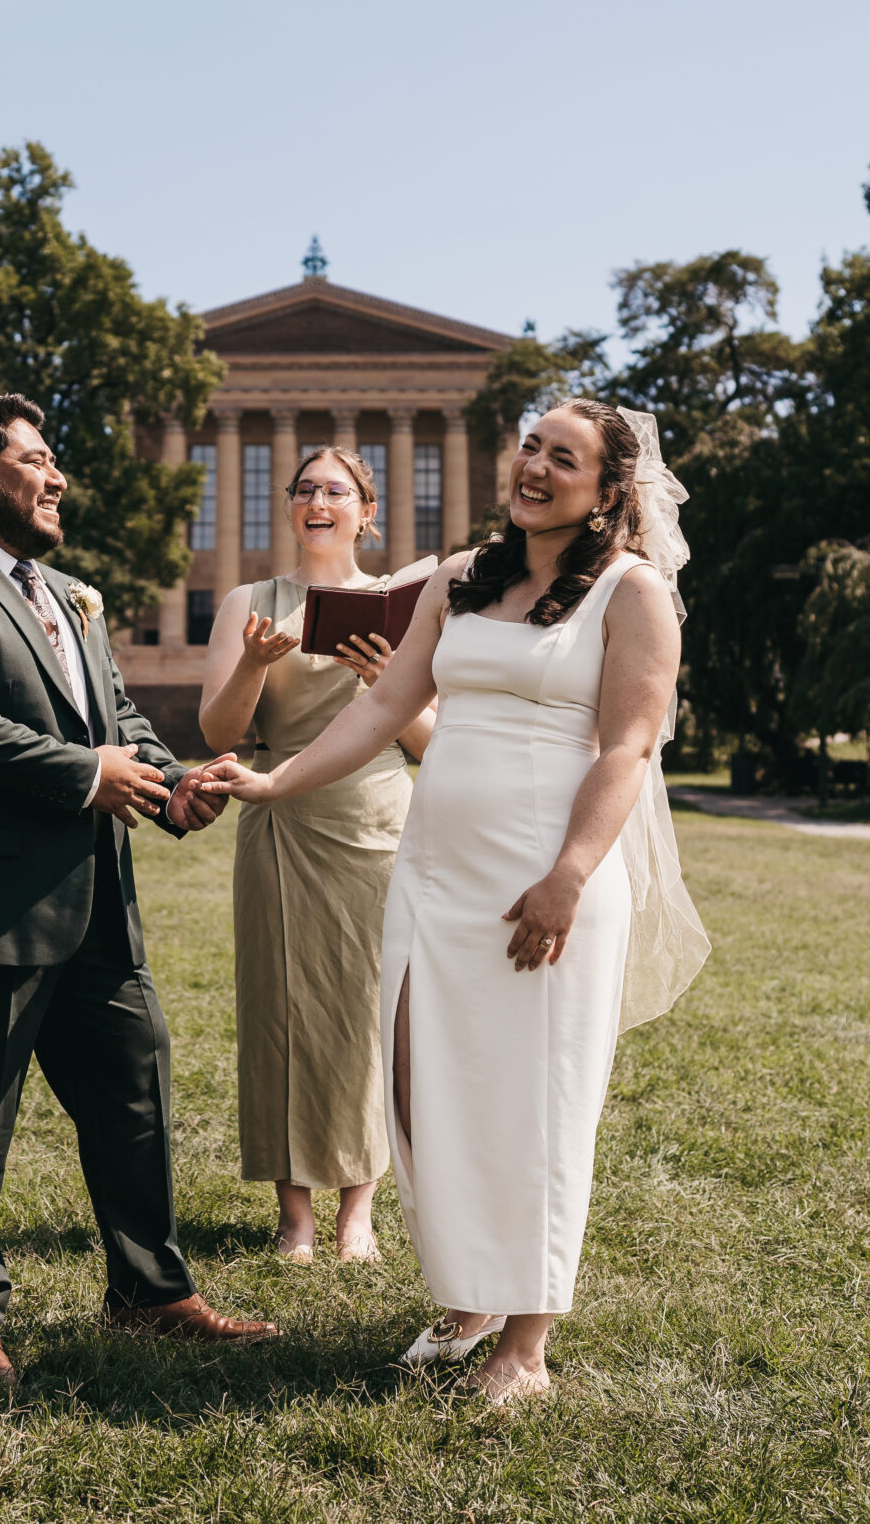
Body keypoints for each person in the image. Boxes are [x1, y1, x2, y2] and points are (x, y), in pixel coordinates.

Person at [196, 401, 710, 1404]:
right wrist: (273, 781)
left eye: (563, 458)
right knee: (422, 1086)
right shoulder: (460, 578)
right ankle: (469, 1293)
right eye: (529, 447)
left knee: (538, 1100)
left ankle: (526, 1341)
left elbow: (625, 747)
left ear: (606, 490)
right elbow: (386, 707)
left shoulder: (629, 591)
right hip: (434, 872)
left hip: (546, 877)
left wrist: (567, 874)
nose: (534, 468)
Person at [0, 392, 277, 1391]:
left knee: (135, 1086)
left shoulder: (69, 595)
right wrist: (88, 775)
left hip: (97, 900)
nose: (57, 479)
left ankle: (148, 1292)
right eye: (35, 461)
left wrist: (171, 788)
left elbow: (117, 713)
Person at [195, 445, 435, 1263]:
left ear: (367, 510)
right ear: (289, 506)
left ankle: (356, 1211)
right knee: (280, 1008)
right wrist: (258, 667)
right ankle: (293, 1213)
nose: (317, 500)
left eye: (336, 489)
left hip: (374, 818)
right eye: (304, 489)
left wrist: (385, 687)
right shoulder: (249, 602)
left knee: (368, 1007)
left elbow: (432, 743)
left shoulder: (406, 606)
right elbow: (220, 735)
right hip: (279, 816)